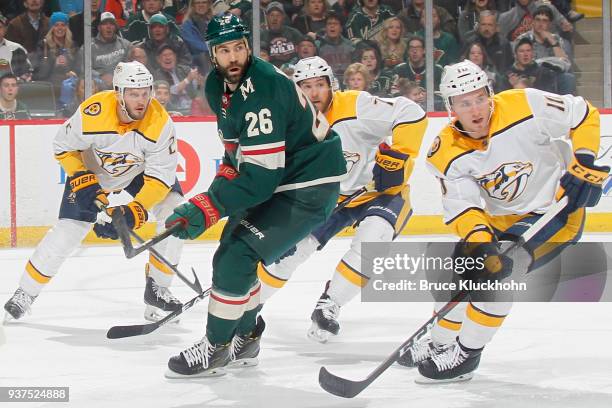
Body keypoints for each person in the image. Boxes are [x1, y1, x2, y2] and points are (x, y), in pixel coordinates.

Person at [400, 60, 608, 383]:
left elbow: (582, 114)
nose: (475, 109)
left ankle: (466, 355)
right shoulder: (445, 152)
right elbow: (465, 207)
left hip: (553, 212)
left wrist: (583, 160)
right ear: (450, 107)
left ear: (490, 93)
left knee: (499, 276)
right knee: (461, 271)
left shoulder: (525, 104)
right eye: (464, 103)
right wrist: (481, 245)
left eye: (480, 97)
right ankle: (440, 342)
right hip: (499, 219)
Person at [162, 14, 346, 378]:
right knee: (231, 249)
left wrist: (208, 206)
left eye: (239, 48)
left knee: (238, 255)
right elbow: (237, 158)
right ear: (212, 54)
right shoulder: (217, 87)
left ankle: (216, 349)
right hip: (280, 178)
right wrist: (208, 202)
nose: (233, 57)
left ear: (248, 47)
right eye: (224, 50)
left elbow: (261, 179)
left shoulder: (263, 87)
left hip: (308, 185)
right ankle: (245, 337)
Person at [257, 56, 428, 342]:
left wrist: (396, 159)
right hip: (329, 198)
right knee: (289, 252)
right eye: (306, 86)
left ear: (331, 86)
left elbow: (411, 112)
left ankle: (330, 304)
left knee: (375, 238)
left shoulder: (356, 105)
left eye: (320, 85)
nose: (314, 93)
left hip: (380, 191)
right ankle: (248, 305)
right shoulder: (288, 123)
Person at [4, 61, 186, 325]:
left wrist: (134, 211)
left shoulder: (160, 123)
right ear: (118, 93)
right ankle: (25, 292)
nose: (141, 101)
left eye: (145, 93)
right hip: (94, 170)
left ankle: (158, 289)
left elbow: (160, 178)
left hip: (138, 171)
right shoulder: (94, 112)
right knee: (68, 231)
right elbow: (62, 146)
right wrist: (82, 177)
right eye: (133, 94)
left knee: (175, 209)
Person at [0, 12, 33, 81]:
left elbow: (28, 75)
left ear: (5, 29)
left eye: (0, 27)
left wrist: (17, 80)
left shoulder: (17, 49)